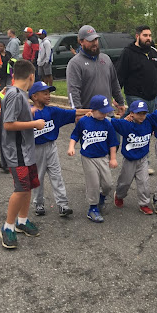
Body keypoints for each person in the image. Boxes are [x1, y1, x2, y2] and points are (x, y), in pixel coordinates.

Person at [0, 59, 45, 250]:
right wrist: (34, 123)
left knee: (29, 186)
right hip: (16, 151)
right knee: (21, 188)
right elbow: (8, 124)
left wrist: (29, 112)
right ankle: (7, 227)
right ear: (31, 76)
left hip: (26, 150)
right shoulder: (15, 95)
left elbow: (16, 115)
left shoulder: (19, 94)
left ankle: (22, 221)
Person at [31, 82, 90, 218]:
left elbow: (73, 112)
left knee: (56, 175)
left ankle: (63, 205)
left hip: (51, 147)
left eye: (49, 93)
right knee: (38, 177)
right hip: (35, 149)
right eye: (45, 93)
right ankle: (38, 204)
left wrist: (91, 111)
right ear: (34, 96)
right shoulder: (29, 113)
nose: (48, 96)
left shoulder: (53, 111)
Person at [68, 95, 119, 223]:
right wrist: (71, 147)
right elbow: (75, 135)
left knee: (108, 184)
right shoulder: (84, 121)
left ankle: (101, 198)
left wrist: (113, 158)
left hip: (103, 157)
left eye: (106, 111)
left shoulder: (107, 123)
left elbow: (113, 143)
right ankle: (92, 208)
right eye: (102, 112)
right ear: (92, 110)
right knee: (93, 184)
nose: (104, 114)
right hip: (88, 157)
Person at [66, 25, 125, 115]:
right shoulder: (75, 63)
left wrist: (120, 102)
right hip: (89, 116)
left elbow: (114, 83)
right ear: (81, 42)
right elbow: (73, 91)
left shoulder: (106, 59)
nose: (94, 43)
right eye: (90, 40)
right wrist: (78, 112)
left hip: (108, 114)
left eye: (96, 39)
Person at [110, 100, 154, 215]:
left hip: (143, 159)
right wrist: (91, 114)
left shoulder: (149, 121)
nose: (142, 116)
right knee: (124, 182)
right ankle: (119, 195)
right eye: (139, 113)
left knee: (144, 182)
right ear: (132, 113)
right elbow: (109, 121)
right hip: (129, 160)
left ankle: (144, 204)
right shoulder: (126, 124)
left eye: (144, 113)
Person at [116, 25, 157, 113]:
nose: (148, 38)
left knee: (152, 120)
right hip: (135, 97)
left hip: (154, 98)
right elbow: (120, 75)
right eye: (145, 35)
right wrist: (117, 97)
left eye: (150, 35)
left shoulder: (154, 53)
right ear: (137, 36)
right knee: (138, 119)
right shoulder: (128, 53)